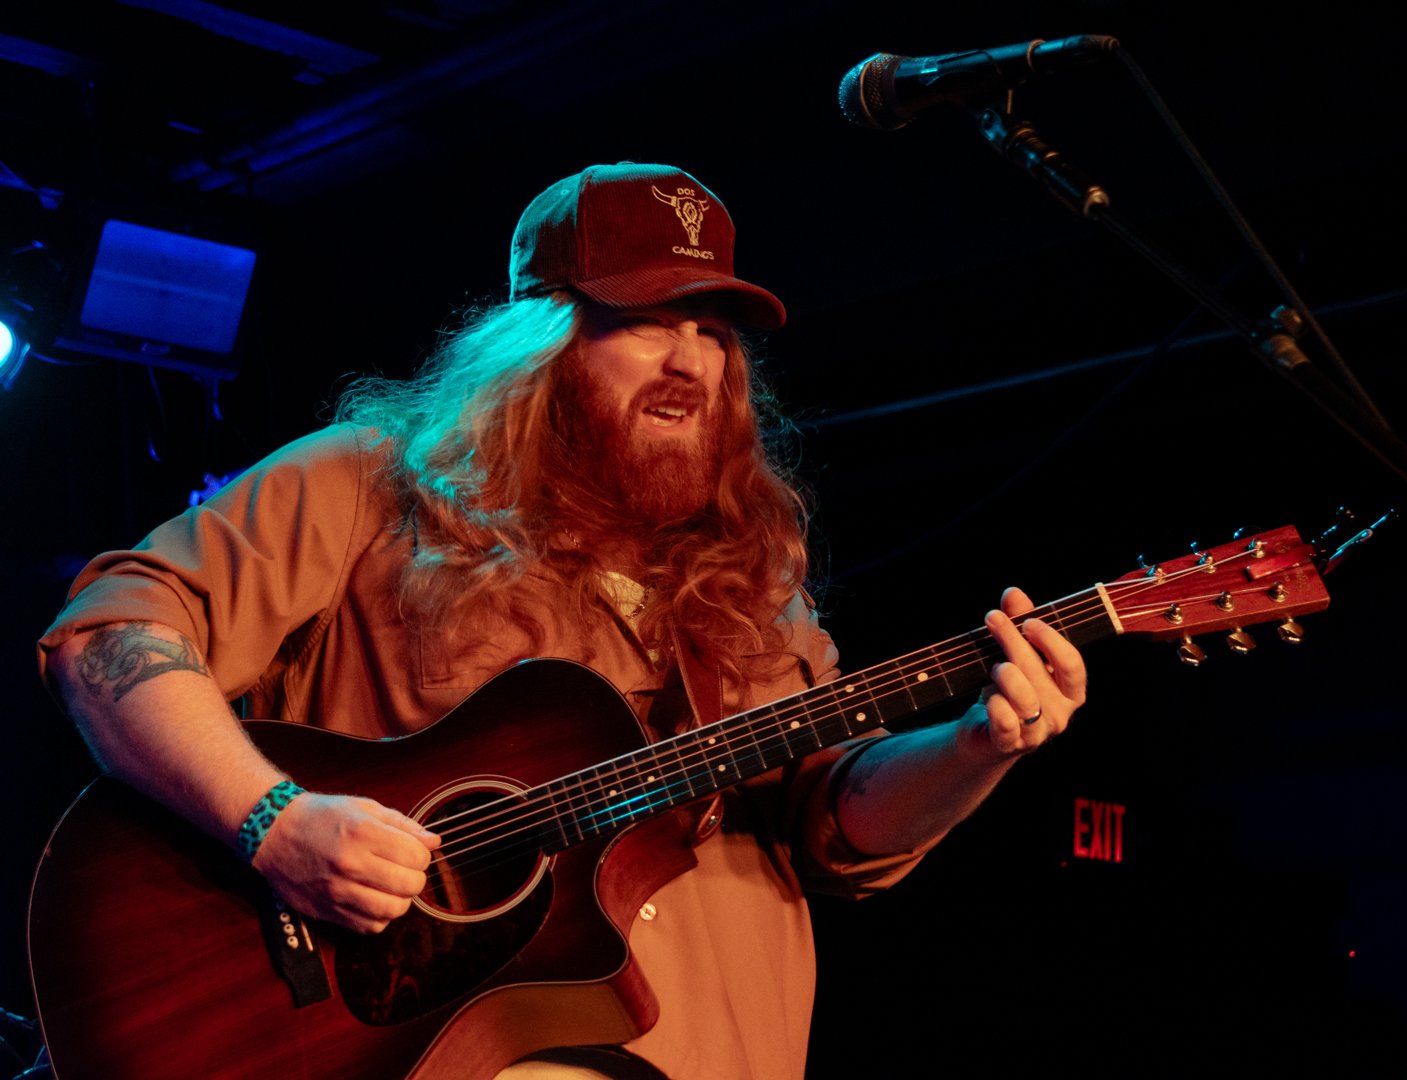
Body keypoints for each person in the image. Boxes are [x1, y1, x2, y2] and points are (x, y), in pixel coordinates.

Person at [37, 162, 1087, 1078]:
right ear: (538, 343)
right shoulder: (369, 488)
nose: (690, 361)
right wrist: (272, 820)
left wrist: (974, 747)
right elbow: (111, 635)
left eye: (711, 332)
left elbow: (837, 823)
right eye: (640, 321)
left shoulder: (757, 591)